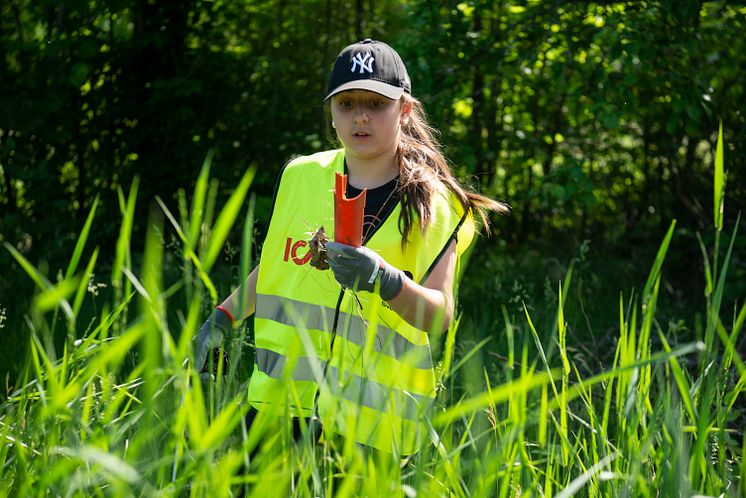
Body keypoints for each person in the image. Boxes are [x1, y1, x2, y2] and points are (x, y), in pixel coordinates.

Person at [194, 39, 508, 457]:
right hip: (277, 404)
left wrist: (385, 279)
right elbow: (275, 266)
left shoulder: (437, 204)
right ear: (331, 111)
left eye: (377, 104)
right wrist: (222, 318)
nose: (360, 116)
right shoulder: (300, 176)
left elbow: (439, 315)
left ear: (405, 110)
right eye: (346, 104)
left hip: (372, 428)